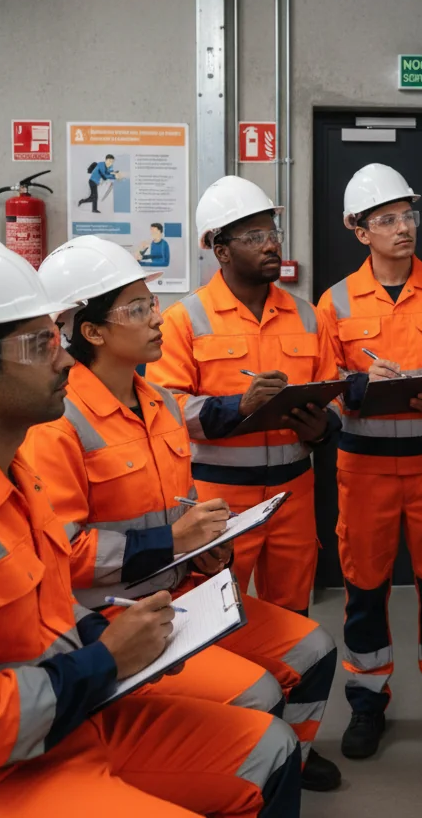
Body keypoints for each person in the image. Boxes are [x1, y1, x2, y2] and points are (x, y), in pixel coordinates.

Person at [0, 237, 302, 817]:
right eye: (39, 344)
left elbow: (46, 610)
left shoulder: (13, 476)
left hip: (64, 719)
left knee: (271, 749)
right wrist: (107, 659)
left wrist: (113, 639)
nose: (64, 357)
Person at [26, 235, 342, 792]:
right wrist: (173, 541)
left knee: (314, 647)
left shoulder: (162, 404)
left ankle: (288, 759)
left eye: (152, 303)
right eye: (139, 308)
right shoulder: (58, 423)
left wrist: (204, 545)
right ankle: (240, 777)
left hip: (185, 591)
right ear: (91, 331)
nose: (158, 320)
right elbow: (63, 554)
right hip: (117, 617)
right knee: (259, 692)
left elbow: (178, 507)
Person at [316, 163, 422, 760]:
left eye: (407, 216)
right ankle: (366, 705)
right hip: (361, 468)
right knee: (364, 588)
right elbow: (322, 383)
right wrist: (356, 386)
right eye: (386, 219)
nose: (402, 228)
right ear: (359, 230)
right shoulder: (334, 301)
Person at [146, 175, 340, 615]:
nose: (271, 245)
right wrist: (239, 406)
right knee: (217, 617)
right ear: (221, 250)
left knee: (292, 616)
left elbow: (334, 393)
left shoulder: (307, 317)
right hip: (219, 501)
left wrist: (323, 427)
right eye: (255, 236)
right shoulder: (183, 319)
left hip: (293, 494)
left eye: (273, 233)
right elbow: (166, 409)